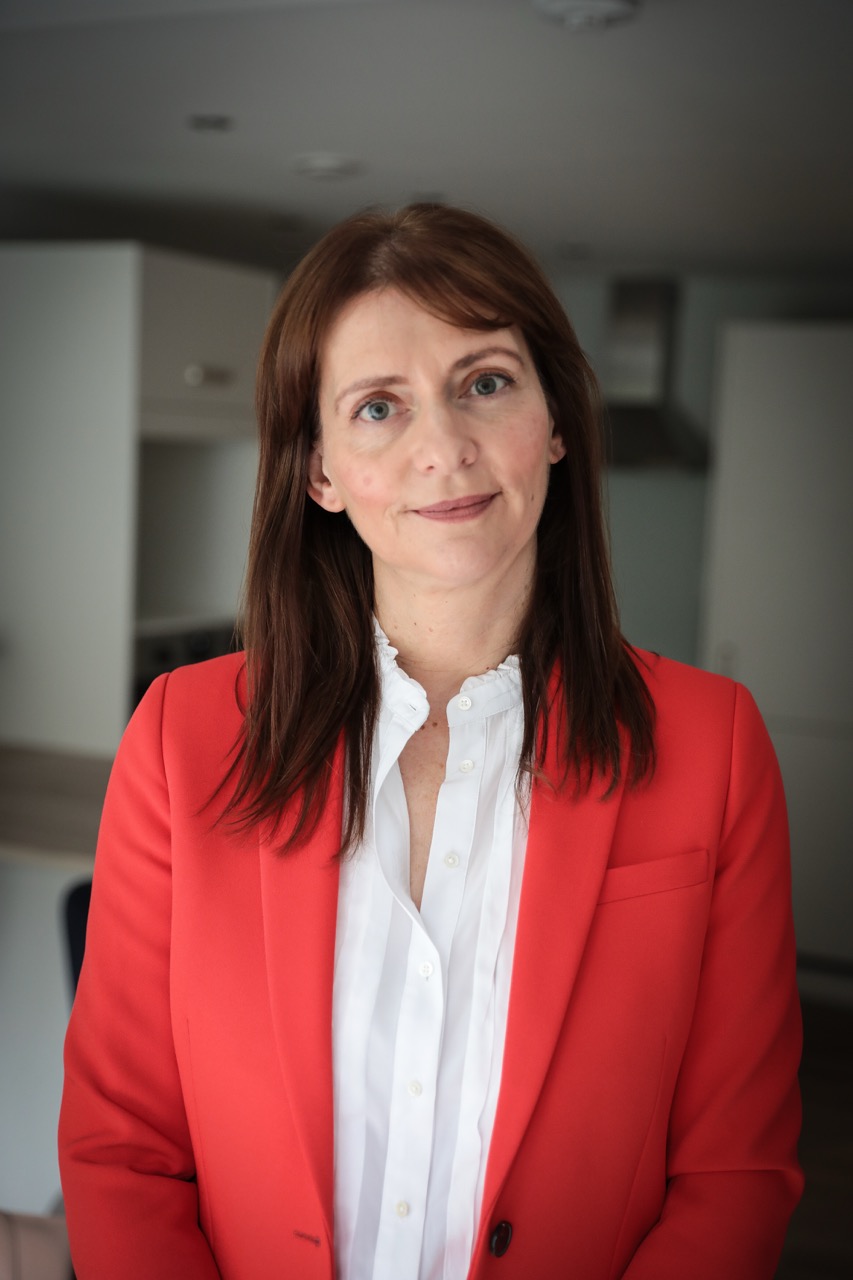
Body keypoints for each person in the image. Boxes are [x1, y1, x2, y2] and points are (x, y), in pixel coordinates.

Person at [58, 203, 802, 1279]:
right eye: (377, 408)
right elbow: (121, 1144)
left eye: (485, 381)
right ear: (318, 472)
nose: (442, 447)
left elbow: (734, 1173)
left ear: (554, 420)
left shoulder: (713, 744)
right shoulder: (180, 738)